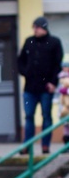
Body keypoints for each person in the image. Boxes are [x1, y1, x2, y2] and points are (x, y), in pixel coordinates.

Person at [18, 16, 64, 155]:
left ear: (43, 28)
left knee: (46, 117)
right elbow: (20, 61)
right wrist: (26, 72)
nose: (35, 30)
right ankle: (27, 145)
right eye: (34, 28)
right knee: (29, 116)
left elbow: (57, 64)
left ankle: (45, 145)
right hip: (30, 88)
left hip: (46, 88)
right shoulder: (29, 41)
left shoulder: (54, 42)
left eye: (37, 27)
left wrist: (53, 83)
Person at [56, 57, 69, 147]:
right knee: (66, 124)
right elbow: (58, 90)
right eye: (64, 66)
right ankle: (66, 143)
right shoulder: (60, 77)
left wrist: (67, 91)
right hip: (64, 104)